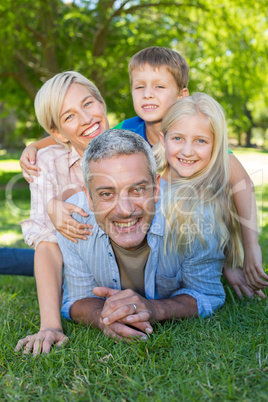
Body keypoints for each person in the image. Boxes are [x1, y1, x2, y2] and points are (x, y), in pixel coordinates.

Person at [19, 47, 268, 291]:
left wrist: (249, 251)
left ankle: (222, 261)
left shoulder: (194, 134)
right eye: (140, 87)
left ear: (182, 95)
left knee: (208, 192)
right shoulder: (126, 132)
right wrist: (35, 146)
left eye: (159, 87)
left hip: (199, 226)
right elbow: (83, 131)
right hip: (153, 234)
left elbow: (241, 185)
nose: (148, 94)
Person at [17, 129, 229, 348]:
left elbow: (207, 293)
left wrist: (156, 309)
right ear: (89, 198)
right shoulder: (73, 222)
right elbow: (76, 300)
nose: (125, 210)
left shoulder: (196, 217)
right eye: (107, 194)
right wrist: (104, 317)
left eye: (137, 190)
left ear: (156, 189)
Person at [17, 71, 109, 354]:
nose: (86, 118)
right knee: (24, 258)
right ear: (56, 133)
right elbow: (46, 244)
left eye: (89, 104)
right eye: (69, 117)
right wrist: (50, 325)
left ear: (102, 103)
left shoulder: (134, 147)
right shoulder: (47, 163)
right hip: (74, 270)